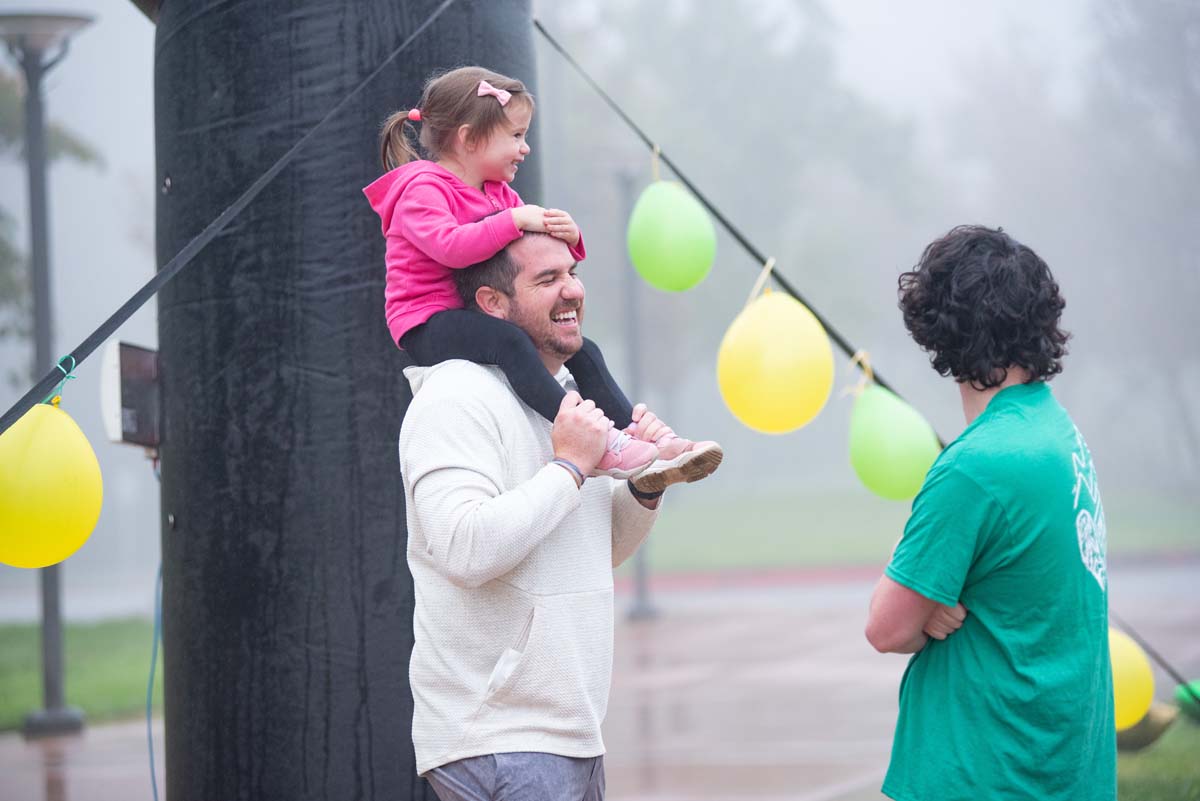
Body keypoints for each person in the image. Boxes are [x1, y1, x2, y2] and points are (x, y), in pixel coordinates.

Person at [400, 231, 701, 800]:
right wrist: (569, 467)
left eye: (571, 273)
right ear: (492, 304)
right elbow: (465, 548)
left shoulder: (560, 395)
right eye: (547, 280)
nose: (572, 291)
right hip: (499, 739)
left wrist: (646, 485)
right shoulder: (454, 397)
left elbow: (592, 549)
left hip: (570, 733)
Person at [364, 65, 721, 481]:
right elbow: (452, 247)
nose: (525, 148)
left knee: (582, 349)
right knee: (510, 343)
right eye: (515, 136)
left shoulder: (498, 192)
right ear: (469, 138)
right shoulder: (422, 189)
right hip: (427, 320)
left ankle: (634, 433)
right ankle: (595, 438)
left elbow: (529, 255)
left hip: (478, 308)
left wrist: (572, 239)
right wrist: (515, 220)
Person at [865, 225, 1115, 800]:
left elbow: (885, 627)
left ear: (939, 330)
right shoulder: (1059, 432)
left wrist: (923, 610)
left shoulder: (975, 467)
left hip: (981, 773)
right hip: (1059, 771)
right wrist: (927, 606)